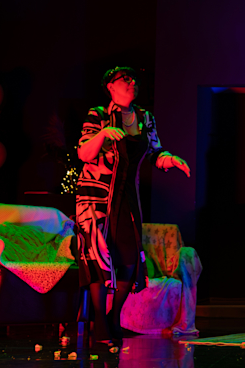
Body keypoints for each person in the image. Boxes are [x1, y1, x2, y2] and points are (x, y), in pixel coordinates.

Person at [76, 66, 190, 351]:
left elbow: (155, 153)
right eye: (125, 79)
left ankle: (113, 317)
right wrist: (103, 133)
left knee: (129, 260)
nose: (132, 83)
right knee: (98, 257)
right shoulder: (99, 114)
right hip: (96, 197)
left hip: (127, 197)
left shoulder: (144, 117)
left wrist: (171, 160)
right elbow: (84, 153)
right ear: (110, 87)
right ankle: (100, 324)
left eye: (134, 79)